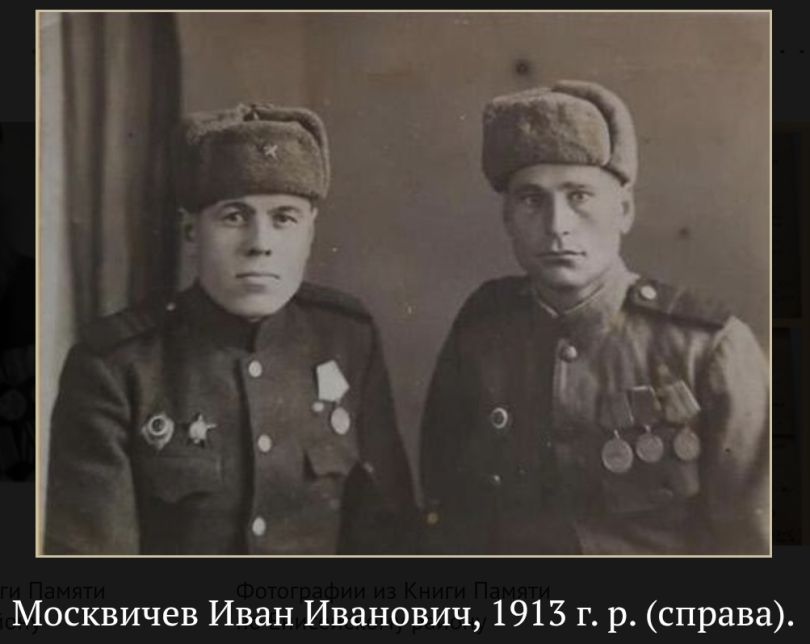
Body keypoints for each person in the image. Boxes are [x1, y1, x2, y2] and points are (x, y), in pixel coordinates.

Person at [45, 103, 416, 554]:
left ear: (310, 233)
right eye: (234, 217)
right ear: (191, 231)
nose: (260, 244)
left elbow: (388, 542)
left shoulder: (347, 340)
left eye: (284, 218)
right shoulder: (116, 367)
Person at [419, 81, 769, 555]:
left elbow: (754, 543)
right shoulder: (481, 334)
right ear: (507, 219)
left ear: (623, 210)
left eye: (580, 196)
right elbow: (448, 519)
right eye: (531, 200)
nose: (557, 225)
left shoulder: (708, 348)